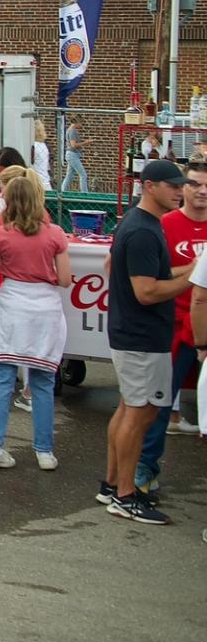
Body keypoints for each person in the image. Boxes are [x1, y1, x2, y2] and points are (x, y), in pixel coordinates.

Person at [100, 158, 191, 523]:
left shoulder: (141, 225)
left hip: (135, 334)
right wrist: (197, 279)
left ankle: (111, 485)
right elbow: (148, 291)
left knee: (130, 409)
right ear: (149, 186)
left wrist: (193, 269)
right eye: (173, 186)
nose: (180, 192)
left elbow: (152, 274)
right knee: (140, 414)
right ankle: (125, 495)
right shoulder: (142, 230)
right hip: (141, 335)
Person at [0, 173, 70, 471]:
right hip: (45, 307)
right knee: (42, 380)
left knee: (2, 376)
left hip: (12, 302)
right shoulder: (55, 233)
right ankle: (44, 451)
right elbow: (65, 280)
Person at [138, 158, 207, 492]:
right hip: (175, 328)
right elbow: (145, 278)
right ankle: (145, 472)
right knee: (158, 405)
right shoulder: (163, 225)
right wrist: (192, 270)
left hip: (205, 328)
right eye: (193, 184)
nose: (201, 191)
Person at [59, 116, 88, 192]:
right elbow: (73, 145)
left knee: (69, 176)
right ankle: (85, 194)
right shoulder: (72, 131)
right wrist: (86, 142)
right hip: (73, 155)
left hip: (71, 155)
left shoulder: (69, 130)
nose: (81, 125)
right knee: (83, 174)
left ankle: (63, 191)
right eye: (81, 123)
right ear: (77, 122)